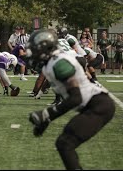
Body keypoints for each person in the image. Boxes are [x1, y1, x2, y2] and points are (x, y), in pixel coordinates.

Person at [27, 29, 115, 170]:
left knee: (65, 143)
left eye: (36, 48)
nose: (33, 52)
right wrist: (46, 120)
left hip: (98, 105)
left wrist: (47, 114)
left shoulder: (58, 63)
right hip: (92, 105)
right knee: (64, 143)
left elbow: (76, 97)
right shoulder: (52, 63)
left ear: (46, 48)